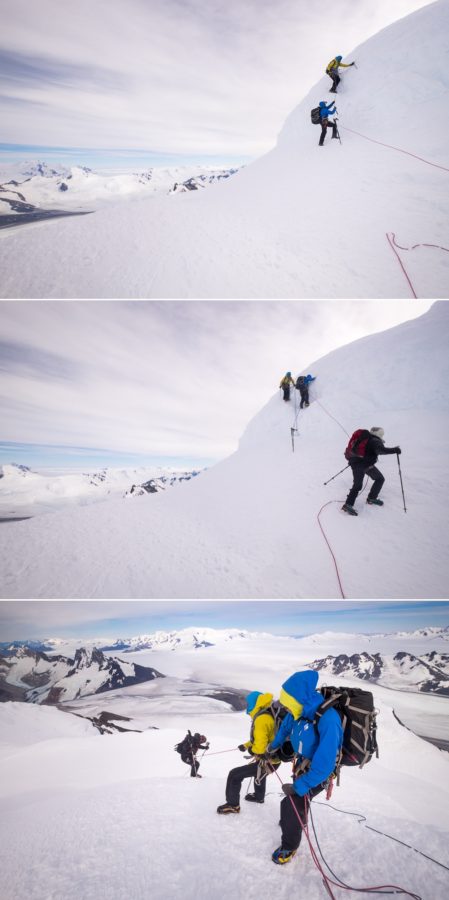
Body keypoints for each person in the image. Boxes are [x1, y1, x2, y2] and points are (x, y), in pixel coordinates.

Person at [267, 671, 343, 865]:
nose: (285, 705)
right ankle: (295, 822)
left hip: (319, 773)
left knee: (290, 802)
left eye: (288, 700)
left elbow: (325, 765)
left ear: (299, 698)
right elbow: (285, 728)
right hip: (302, 765)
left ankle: (289, 847)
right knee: (297, 803)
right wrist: (273, 746)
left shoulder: (328, 719)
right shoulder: (299, 711)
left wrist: (300, 787)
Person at [217, 691, 281, 814]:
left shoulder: (261, 719)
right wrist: (246, 746)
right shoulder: (268, 714)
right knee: (260, 774)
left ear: (254, 703)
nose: (247, 706)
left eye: (248, 703)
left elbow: (260, 748)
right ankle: (259, 797)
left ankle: (233, 805)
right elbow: (262, 738)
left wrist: (252, 750)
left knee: (234, 775)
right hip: (274, 759)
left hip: (268, 760)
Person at [342, 426, 401, 516]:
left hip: (359, 463)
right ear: (380, 434)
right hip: (362, 464)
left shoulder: (366, 438)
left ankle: (371, 498)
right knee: (361, 484)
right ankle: (349, 504)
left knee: (379, 479)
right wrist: (395, 450)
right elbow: (381, 451)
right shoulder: (375, 441)